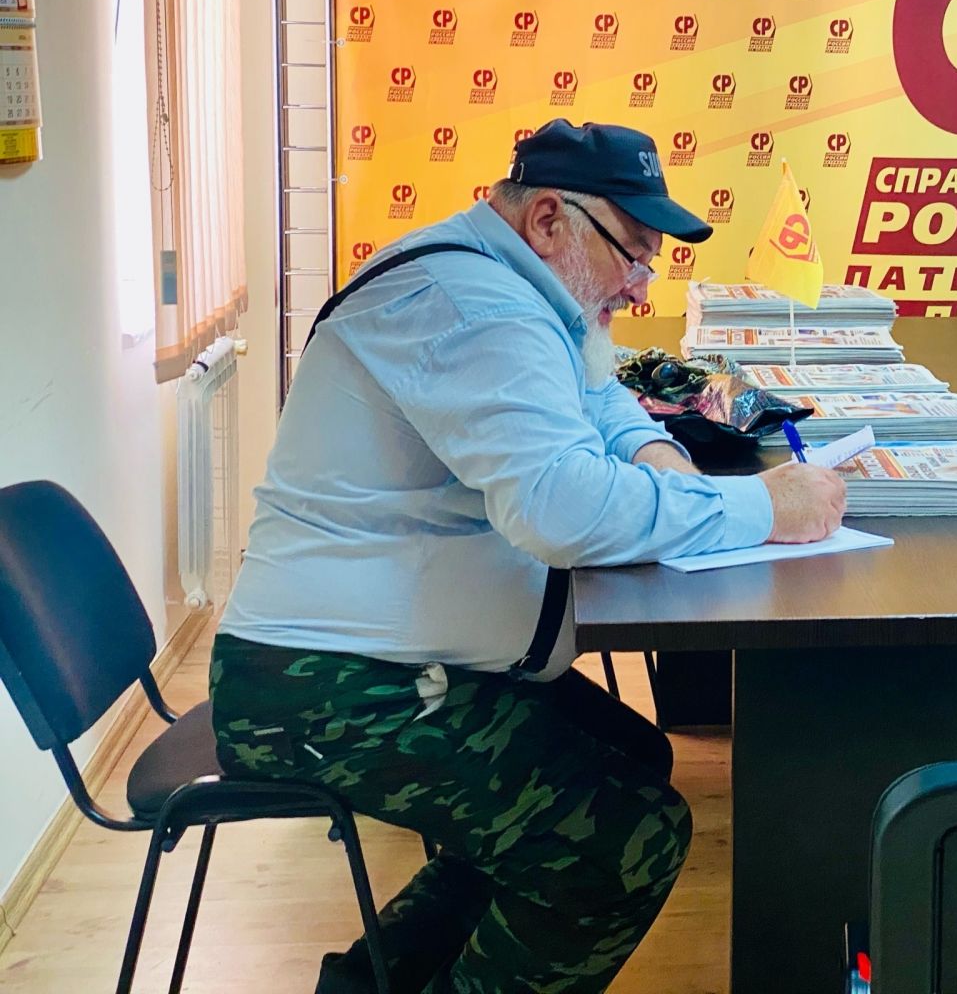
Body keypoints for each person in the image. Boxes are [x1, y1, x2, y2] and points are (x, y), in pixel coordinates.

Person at [211, 119, 846, 994]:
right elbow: (562, 508)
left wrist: (661, 460)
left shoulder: (515, 283)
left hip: (389, 658)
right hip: (324, 686)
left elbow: (600, 391)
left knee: (627, 760)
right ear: (550, 219)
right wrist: (762, 507)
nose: (641, 286)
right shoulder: (473, 309)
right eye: (633, 254)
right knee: (622, 843)